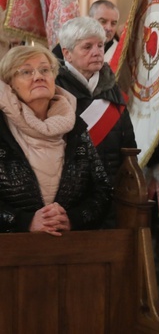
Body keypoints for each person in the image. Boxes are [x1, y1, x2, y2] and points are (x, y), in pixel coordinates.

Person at [0, 45, 112, 234]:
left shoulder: (75, 127)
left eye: (45, 69)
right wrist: (25, 222)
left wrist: (72, 219)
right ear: (10, 84)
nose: (38, 76)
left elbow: (102, 190)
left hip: (69, 248)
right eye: (26, 72)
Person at [55, 17, 137, 192]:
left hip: (111, 186)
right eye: (87, 47)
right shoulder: (54, 89)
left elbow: (128, 141)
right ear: (67, 53)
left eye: (100, 45)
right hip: (67, 189)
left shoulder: (112, 86)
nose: (97, 52)